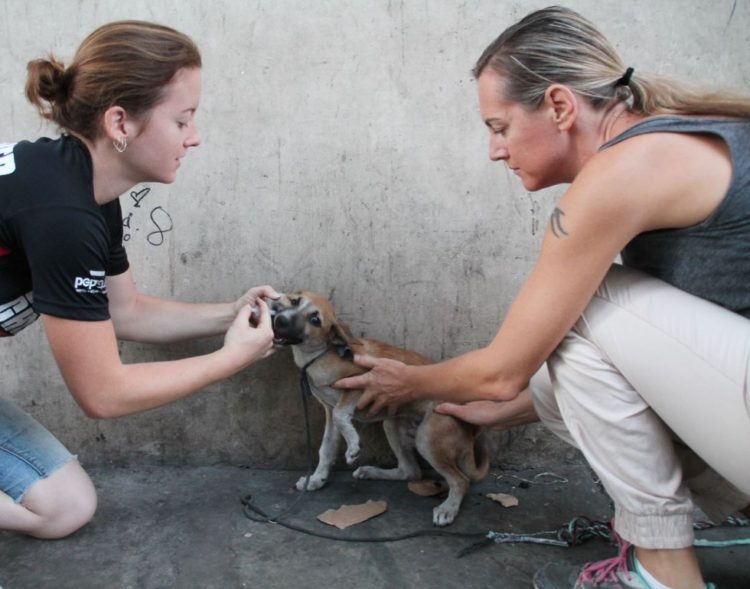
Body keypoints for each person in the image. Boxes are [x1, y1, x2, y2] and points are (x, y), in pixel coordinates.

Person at [336, 6, 750, 589]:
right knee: (559, 374)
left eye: (499, 127)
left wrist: (409, 383)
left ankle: (663, 575)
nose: (495, 151)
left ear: (558, 106)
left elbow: (503, 370)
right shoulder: (672, 133)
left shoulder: (623, 171)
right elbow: (612, 373)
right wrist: (498, 413)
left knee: (580, 309)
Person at [0, 21, 278, 539]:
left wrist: (233, 312)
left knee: (65, 507)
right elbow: (102, 394)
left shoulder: (84, 192)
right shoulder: (60, 210)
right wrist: (231, 358)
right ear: (120, 123)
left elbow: (125, 312)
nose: (195, 137)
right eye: (182, 120)